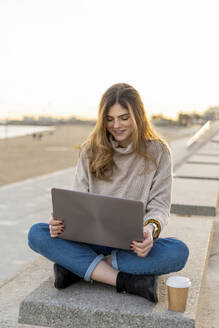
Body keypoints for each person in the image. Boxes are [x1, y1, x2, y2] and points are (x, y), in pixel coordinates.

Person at [28, 82, 189, 303]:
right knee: (37, 233)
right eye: (110, 119)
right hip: (89, 238)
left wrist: (150, 230)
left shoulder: (158, 152)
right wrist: (59, 222)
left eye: (124, 118)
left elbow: (160, 206)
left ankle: (77, 268)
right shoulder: (90, 149)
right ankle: (126, 281)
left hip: (132, 243)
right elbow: (76, 201)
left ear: (138, 116)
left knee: (178, 252)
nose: (116, 125)